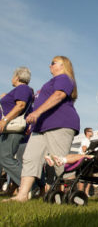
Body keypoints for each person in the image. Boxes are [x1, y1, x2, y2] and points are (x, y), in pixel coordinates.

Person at [5, 56, 79, 203]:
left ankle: (72, 194)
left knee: (59, 161)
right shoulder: (49, 82)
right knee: (30, 158)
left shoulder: (64, 78)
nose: (50, 65)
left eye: (53, 63)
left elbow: (59, 95)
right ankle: (22, 195)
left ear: (63, 65)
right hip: (41, 126)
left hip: (59, 123)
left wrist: (37, 113)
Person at [0, 67, 34, 196]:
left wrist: (5, 120)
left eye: (13, 76)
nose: (11, 79)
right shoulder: (18, 90)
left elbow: (20, 105)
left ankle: (26, 187)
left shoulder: (22, 88)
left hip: (12, 129)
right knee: (3, 158)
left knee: (6, 158)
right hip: (7, 130)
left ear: (17, 77)